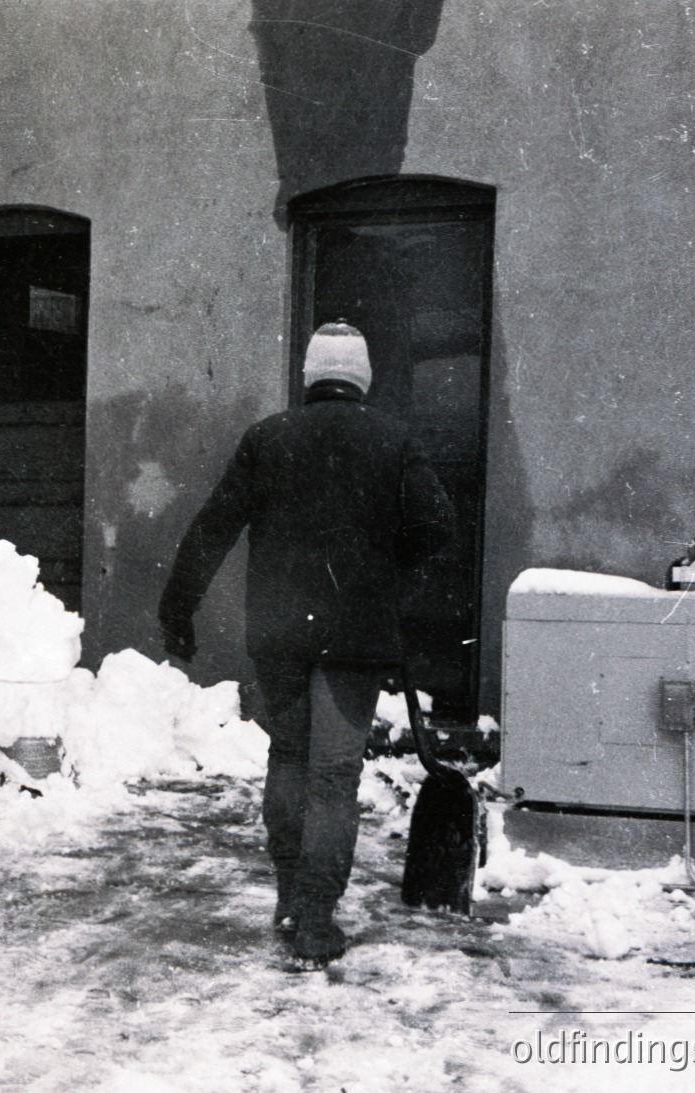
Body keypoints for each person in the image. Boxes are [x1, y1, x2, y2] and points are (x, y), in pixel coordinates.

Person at [157, 322, 453, 966]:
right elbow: (436, 522)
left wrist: (177, 609)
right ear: (363, 379)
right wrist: (386, 563)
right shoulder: (394, 438)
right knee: (334, 776)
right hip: (357, 637)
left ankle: (291, 894)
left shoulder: (267, 438)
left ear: (311, 375)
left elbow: (212, 528)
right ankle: (317, 915)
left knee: (288, 758)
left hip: (281, 632)